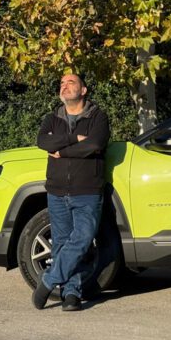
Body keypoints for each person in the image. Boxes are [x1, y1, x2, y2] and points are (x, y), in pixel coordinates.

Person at [33, 73, 111, 311]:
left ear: (84, 90)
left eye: (71, 82)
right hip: (57, 191)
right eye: (62, 83)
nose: (64, 86)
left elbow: (94, 145)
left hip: (87, 190)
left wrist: (63, 150)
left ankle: (48, 281)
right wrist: (72, 138)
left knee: (83, 239)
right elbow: (42, 142)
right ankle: (71, 295)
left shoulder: (98, 116)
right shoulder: (53, 118)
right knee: (61, 243)